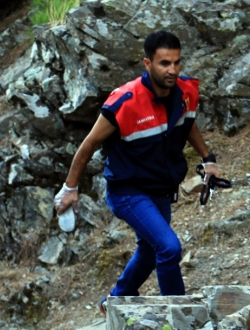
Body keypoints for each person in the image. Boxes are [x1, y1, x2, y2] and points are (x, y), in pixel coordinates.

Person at [53, 30, 221, 312]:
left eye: (177, 63)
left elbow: (187, 122)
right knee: (168, 248)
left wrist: (209, 159)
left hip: (161, 189)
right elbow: (89, 144)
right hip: (127, 191)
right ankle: (181, 317)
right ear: (148, 64)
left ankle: (117, 298)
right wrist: (70, 189)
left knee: (149, 249)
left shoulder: (185, 92)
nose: (172, 70)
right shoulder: (125, 101)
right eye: (164, 63)